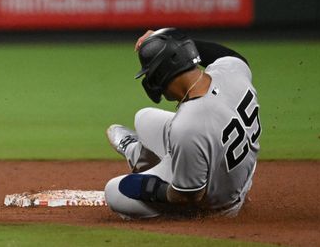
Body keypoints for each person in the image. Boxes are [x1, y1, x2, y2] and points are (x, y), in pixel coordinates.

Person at [104, 28, 261, 219]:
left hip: (217, 202)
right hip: (234, 168)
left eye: (151, 74)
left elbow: (187, 195)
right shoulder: (232, 72)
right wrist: (171, 43)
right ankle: (136, 155)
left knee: (114, 191)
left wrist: (148, 187)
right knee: (143, 117)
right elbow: (231, 55)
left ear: (162, 74)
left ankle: (183, 215)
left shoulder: (188, 126)